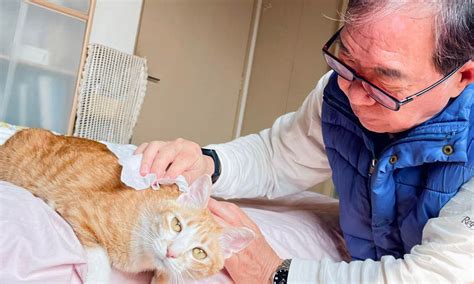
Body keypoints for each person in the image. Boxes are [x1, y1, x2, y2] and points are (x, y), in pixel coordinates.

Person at [136, 0, 474, 282]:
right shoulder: (337, 95)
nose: (355, 97)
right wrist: (208, 164)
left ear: (462, 76)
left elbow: (436, 275)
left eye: (384, 83)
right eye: (348, 62)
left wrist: (276, 273)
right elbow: (279, 157)